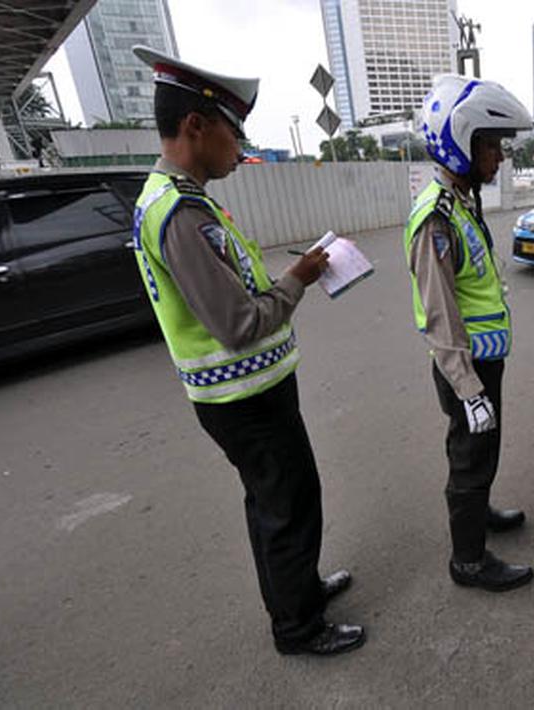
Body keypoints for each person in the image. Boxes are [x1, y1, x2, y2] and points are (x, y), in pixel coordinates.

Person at [129, 45, 365, 657]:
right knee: (287, 506)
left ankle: (298, 593)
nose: (240, 145)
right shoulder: (179, 211)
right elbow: (238, 321)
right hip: (244, 398)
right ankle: (299, 627)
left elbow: (234, 286)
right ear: (195, 126)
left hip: (247, 394)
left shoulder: (184, 197)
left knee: (272, 504)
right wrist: (300, 280)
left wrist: (284, 275)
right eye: (234, 132)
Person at [403, 74, 534, 591]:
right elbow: (441, 317)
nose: (499, 158)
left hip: (483, 360)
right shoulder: (435, 218)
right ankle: (469, 562)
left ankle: (479, 516)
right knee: (469, 457)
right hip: (465, 367)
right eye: (492, 146)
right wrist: (469, 388)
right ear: (461, 143)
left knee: (483, 451)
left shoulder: (459, 200)